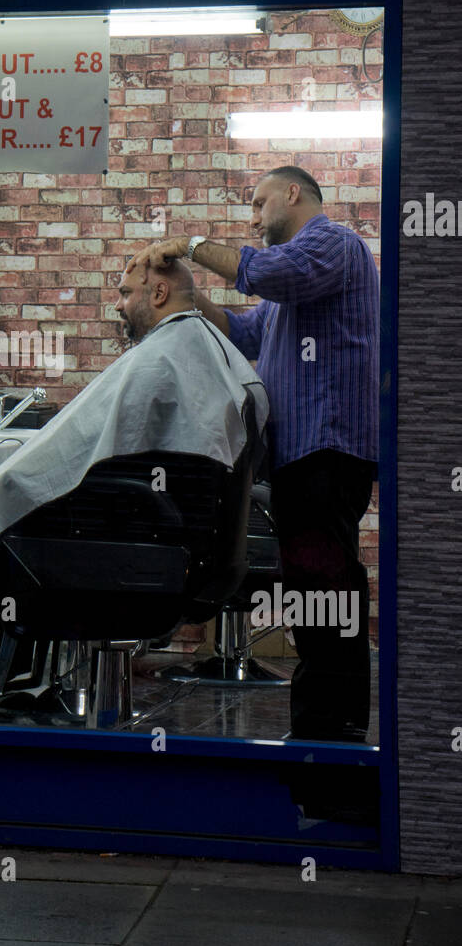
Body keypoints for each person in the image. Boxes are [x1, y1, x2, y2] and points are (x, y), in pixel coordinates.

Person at [0, 250, 269, 703]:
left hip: (140, 536)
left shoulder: (160, 360)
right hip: (181, 542)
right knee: (7, 500)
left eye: (126, 293)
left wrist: (15, 481)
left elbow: (79, 449)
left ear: (160, 292)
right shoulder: (206, 352)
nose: (119, 305)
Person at [154, 166, 378, 742]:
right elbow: (246, 331)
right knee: (315, 589)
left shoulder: (332, 243)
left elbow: (267, 273)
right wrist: (187, 297)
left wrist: (193, 246)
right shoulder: (291, 289)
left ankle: (331, 740)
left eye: (259, 203)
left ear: (293, 194)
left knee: (325, 590)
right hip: (303, 456)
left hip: (327, 451)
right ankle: (326, 733)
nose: (253, 216)